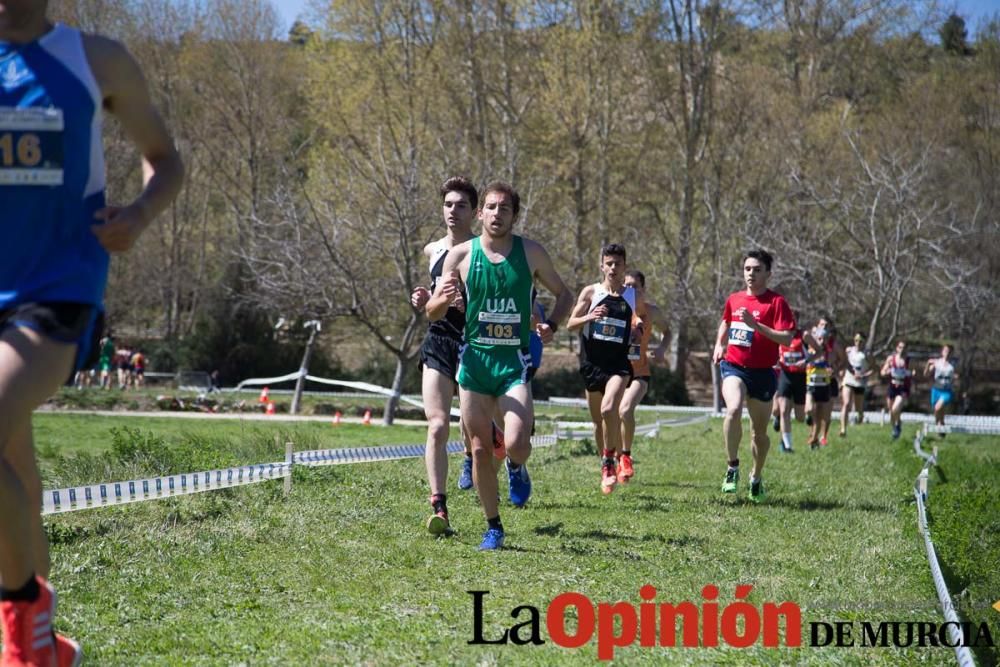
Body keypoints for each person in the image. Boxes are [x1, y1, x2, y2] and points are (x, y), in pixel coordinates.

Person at [0, 8, 183, 666]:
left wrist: (136, 214)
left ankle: (24, 635)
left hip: (57, 290)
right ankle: (42, 639)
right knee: (13, 463)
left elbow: (165, 160)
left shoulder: (96, 60)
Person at [427, 181, 572, 550]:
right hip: (474, 361)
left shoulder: (531, 253)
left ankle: (516, 466)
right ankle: (493, 525)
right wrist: (441, 300)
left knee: (518, 443)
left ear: (514, 215)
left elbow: (565, 294)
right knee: (478, 449)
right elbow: (431, 311)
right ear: (480, 214)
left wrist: (551, 325)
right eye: (490, 208)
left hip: (512, 362)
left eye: (504, 209)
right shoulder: (460, 256)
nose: (496, 214)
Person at [409, 176, 479, 536]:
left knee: (473, 427)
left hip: (475, 342)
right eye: (449, 204)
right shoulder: (432, 250)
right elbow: (433, 298)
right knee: (437, 424)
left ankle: (476, 457)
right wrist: (425, 299)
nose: (454, 211)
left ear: (475, 212)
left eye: (461, 205)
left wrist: (469, 303)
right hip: (439, 338)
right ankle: (439, 506)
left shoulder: (484, 251)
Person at [712, 250, 804, 502]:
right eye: (747, 269)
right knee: (732, 410)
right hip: (734, 366)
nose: (750, 274)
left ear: (768, 274)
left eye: (756, 269)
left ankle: (756, 476)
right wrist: (719, 344)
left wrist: (757, 326)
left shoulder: (777, 303)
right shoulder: (734, 299)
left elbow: (787, 337)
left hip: (763, 372)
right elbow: (726, 321)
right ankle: (732, 468)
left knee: (759, 434)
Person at [566, 245, 642, 494]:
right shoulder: (591, 292)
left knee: (610, 409)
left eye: (617, 263)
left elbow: (638, 320)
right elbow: (570, 324)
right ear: (601, 266)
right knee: (598, 421)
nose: (613, 268)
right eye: (608, 263)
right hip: (592, 364)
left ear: (624, 267)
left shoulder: (631, 295)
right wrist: (589, 317)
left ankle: (612, 458)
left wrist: (637, 329)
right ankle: (605, 465)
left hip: (618, 365)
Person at [617, 269, 669, 482]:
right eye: (626, 286)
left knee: (625, 410)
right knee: (612, 415)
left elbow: (668, 331)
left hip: (640, 372)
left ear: (643, 289)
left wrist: (661, 349)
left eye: (634, 286)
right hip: (616, 372)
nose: (629, 290)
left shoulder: (652, 312)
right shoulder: (616, 308)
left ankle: (626, 456)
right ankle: (615, 459)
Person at [773, 326, 808, 453]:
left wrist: (806, 361)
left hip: (800, 377)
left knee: (800, 417)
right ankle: (787, 445)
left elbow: (819, 352)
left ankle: (780, 420)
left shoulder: (804, 336)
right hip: (785, 375)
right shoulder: (779, 335)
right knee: (783, 410)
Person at [804, 332, 834, 448]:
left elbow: (832, 366)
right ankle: (808, 417)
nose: (821, 341)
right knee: (810, 409)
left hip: (824, 386)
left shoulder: (828, 353)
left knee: (821, 416)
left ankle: (814, 439)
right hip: (811, 385)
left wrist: (832, 370)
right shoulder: (809, 351)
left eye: (823, 339)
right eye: (819, 338)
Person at [839, 332, 871, 436]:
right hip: (848, 380)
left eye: (860, 341)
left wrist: (864, 375)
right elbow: (844, 362)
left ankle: (860, 416)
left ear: (864, 342)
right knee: (846, 403)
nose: (858, 343)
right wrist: (842, 372)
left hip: (859, 383)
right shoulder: (848, 350)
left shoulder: (867, 354)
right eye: (856, 340)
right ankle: (843, 429)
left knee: (858, 408)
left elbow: (875, 369)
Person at [880, 340, 912, 440]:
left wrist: (911, 373)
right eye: (900, 347)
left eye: (904, 348)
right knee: (891, 411)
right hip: (892, 386)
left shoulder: (908, 360)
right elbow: (882, 371)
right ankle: (895, 427)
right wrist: (886, 372)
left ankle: (897, 426)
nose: (902, 350)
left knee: (895, 408)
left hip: (903, 387)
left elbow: (913, 372)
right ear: (897, 348)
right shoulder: (891, 359)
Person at [925, 344, 957, 433]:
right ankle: (941, 426)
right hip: (936, 390)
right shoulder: (936, 362)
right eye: (945, 351)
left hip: (946, 391)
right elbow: (926, 374)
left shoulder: (953, 365)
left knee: (937, 408)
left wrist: (955, 378)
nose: (947, 353)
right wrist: (928, 364)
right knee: (940, 412)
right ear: (942, 352)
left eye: (949, 351)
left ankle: (937, 425)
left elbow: (957, 375)